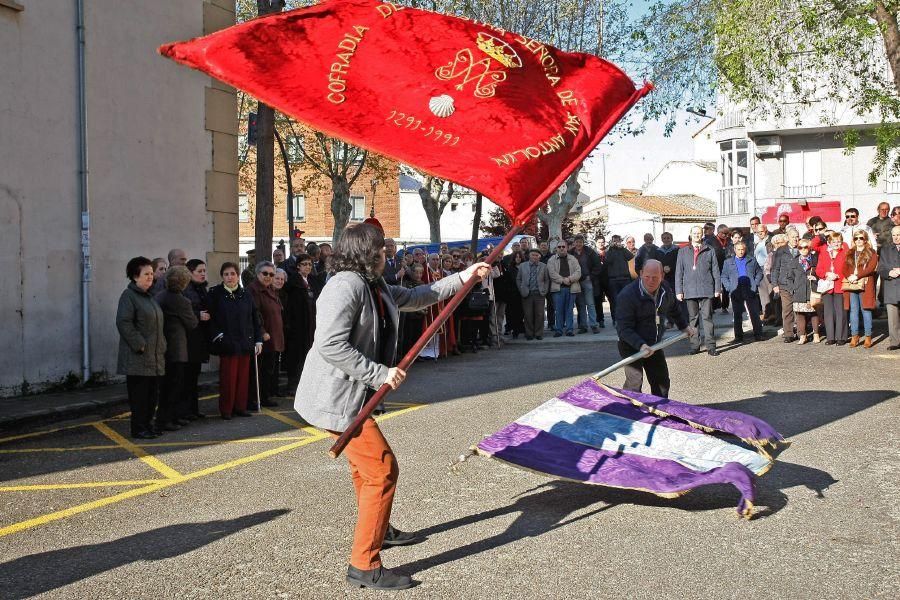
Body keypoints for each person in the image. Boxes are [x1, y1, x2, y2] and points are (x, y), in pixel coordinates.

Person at [294, 222, 490, 590]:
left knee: (364, 471)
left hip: (355, 396)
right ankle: (364, 564)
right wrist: (378, 373)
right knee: (382, 470)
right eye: (382, 249)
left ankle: (378, 530)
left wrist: (467, 275)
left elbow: (420, 296)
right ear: (366, 253)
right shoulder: (344, 286)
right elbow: (330, 345)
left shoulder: (374, 283)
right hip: (338, 398)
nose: (388, 254)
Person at [614, 260, 694, 398]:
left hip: (654, 343)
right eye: (647, 277)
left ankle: (660, 411)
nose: (651, 281)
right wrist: (640, 345)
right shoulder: (627, 295)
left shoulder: (665, 290)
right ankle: (630, 414)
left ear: (662, 276)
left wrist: (684, 326)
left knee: (661, 382)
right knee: (634, 382)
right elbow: (623, 328)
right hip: (631, 344)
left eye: (655, 277)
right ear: (641, 273)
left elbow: (674, 309)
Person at [116, 257, 166, 439]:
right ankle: (139, 428)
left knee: (152, 396)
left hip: (154, 357)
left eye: (152, 274)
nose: (150, 277)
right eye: (146, 274)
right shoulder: (129, 296)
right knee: (140, 397)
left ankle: (148, 425)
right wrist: (140, 345)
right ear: (135, 276)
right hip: (138, 358)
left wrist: (162, 346)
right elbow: (124, 323)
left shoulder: (149, 297)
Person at [207, 262, 263, 419]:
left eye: (232, 274)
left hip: (245, 342)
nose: (229, 277)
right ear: (222, 277)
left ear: (238, 276)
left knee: (243, 378)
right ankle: (227, 409)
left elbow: (254, 318)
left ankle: (240, 407)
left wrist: (258, 340)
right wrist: (219, 336)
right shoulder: (215, 294)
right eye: (226, 274)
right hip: (228, 343)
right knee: (228, 379)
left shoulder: (245, 294)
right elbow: (211, 319)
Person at [154, 266, 199, 430]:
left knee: (167, 386)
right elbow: (192, 323)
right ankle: (167, 419)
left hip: (162, 346)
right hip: (177, 347)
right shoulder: (182, 301)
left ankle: (171, 417)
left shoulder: (159, 296)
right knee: (174, 386)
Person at [675, 225, 721, 356]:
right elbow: (679, 272)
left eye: (699, 233)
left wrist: (717, 288)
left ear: (702, 235)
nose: (696, 235)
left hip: (706, 288)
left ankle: (711, 346)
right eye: (694, 233)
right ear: (690, 234)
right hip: (689, 290)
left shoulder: (709, 250)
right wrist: (679, 290)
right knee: (692, 319)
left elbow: (715, 270)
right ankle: (695, 346)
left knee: (707, 318)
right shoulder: (682, 251)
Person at [248, 261, 285, 408]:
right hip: (263, 337)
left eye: (271, 274)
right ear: (258, 274)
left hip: (274, 336)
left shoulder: (270, 290)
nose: (268, 276)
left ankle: (264, 397)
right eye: (265, 273)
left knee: (268, 370)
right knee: (260, 371)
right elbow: (255, 313)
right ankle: (255, 399)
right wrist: (262, 332)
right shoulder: (254, 290)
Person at [284, 253, 318, 391]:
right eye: (304, 264)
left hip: (311, 324)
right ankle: (293, 385)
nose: (308, 267)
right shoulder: (293, 282)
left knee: (309, 354)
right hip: (297, 325)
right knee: (296, 356)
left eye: (310, 264)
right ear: (298, 266)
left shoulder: (313, 281)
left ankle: (307, 384)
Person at [183, 259, 211, 419]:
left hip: (199, 338)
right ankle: (186, 410)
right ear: (190, 273)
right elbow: (183, 311)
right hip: (189, 339)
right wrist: (197, 315)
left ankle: (193, 409)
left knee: (194, 377)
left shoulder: (201, 289)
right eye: (199, 271)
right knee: (187, 378)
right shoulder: (186, 290)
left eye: (204, 271)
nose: (202, 274)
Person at [720, 241, 764, 343]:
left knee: (754, 313)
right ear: (734, 250)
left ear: (745, 250)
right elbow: (723, 276)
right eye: (738, 249)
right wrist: (729, 287)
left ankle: (758, 334)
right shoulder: (728, 262)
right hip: (736, 290)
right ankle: (739, 336)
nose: (740, 252)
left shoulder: (751, 260)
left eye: (742, 249)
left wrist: (755, 283)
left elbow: (759, 272)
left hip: (750, 289)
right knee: (737, 314)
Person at [844, 230, 879, 348]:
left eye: (861, 238)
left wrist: (857, 276)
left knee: (866, 309)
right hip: (852, 284)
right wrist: (849, 276)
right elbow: (844, 267)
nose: (858, 240)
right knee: (853, 311)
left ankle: (868, 336)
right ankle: (855, 336)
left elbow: (871, 267)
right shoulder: (850, 252)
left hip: (866, 284)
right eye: (856, 238)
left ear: (865, 239)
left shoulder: (871, 252)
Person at [785, 239, 821, 344]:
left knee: (814, 312)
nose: (803, 249)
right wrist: (792, 289)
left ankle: (816, 334)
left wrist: (815, 278)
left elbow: (821, 272)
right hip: (799, 291)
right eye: (801, 247)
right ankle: (802, 335)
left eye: (806, 247)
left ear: (810, 248)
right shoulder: (794, 261)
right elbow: (789, 278)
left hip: (812, 289)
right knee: (800, 314)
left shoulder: (815, 259)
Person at [816, 232, 848, 345]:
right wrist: (826, 274)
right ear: (829, 242)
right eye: (834, 241)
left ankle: (841, 337)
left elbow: (849, 268)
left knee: (841, 312)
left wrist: (839, 276)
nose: (836, 243)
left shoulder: (845, 252)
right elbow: (818, 270)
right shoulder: (824, 253)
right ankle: (830, 337)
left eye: (838, 241)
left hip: (840, 285)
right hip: (827, 286)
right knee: (828, 312)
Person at [771, 227, 802, 342]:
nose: (795, 239)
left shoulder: (802, 248)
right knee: (787, 310)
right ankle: (788, 334)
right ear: (788, 238)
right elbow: (775, 268)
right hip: (784, 284)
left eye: (797, 236)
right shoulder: (781, 250)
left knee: (799, 309)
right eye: (793, 237)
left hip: (799, 284)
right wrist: (775, 284)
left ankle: (800, 332)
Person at [547, 240, 582, 337]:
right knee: (558, 310)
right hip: (558, 289)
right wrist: (563, 280)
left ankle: (569, 330)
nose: (561, 248)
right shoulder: (551, 260)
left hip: (571, 288)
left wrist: (569, 279)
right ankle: (559, 330)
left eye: (563, 246)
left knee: (569, 310)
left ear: (567, 248)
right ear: (556, 249)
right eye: (559, 247)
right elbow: (552, 273)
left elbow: (578, 272)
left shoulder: (573, 259)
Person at [570, 234, 601, 333]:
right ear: (574, 243)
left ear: (583, 243)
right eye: (577, 242)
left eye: (580, 242)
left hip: (587, 280)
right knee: (581, 304)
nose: (578, 244)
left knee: (590, 303)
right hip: (576, 281)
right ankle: (583, 326)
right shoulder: (570, 253)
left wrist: (590, 276)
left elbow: (597, 266)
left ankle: (594, 325)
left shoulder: (590, 252)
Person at [517, 248, 549, 340]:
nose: (535, 257)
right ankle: (529, 333)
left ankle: (539, 333)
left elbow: (547, 280)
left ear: (539, 256)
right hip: (527, 294)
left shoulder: (543, 266)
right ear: (529, 256)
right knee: (528, 314)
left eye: (536, 255)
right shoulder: (523, 266)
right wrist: (521, 289)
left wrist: (545, 290)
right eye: (533, 255)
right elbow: (518, 279)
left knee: (539, 314)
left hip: (539, 294)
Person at [879, 225, 900, 350]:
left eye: (898, 234)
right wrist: (888, 273)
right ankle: (895, 342)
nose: (896, 237)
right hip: (891, 286)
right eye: (894, 235)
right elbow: (880, 269)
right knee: (892, 319)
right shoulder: (885, 250)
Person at [605, 235, 634, 322]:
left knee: (627, 300)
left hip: (625, 278)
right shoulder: (609, 250)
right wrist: (611, 248)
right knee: (614, 301)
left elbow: (630, 257)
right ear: (612, 241)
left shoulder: (623, 250)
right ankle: (616, 319)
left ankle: (627, 318)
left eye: (618, 241)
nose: (616, 243)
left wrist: (622, 248)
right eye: (614, 241)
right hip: (613, 279)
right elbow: (607, 260)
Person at [708, 224, 731, 313]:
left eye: (727, 233)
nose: (725, 235)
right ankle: (713, 307)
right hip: (715, 266)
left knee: (725, 287)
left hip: (726, 267)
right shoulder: (711, 241)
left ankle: (724, 307)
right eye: (724, 233)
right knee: (714, 286)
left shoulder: (729, 240)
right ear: (718, 232)